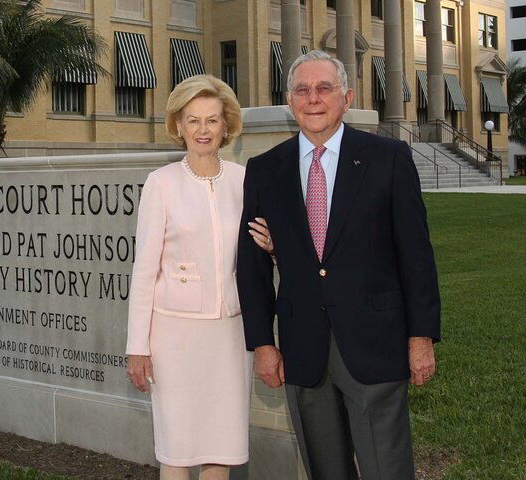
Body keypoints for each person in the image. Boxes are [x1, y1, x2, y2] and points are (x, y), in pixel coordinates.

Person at [236, 50, 441, 480]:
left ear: (346, 98)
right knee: (325, 470)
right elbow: (253, 268)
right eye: (302, 90)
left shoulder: (389, 158)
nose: (313, 98)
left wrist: (420, 337)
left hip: (376, 345)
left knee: (387, 470)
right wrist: (263, 344)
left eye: (324, 88)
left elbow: (416, 257)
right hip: (303, 350)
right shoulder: (265, 170)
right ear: (289, 102)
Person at [126, 74, 272, 480]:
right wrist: (137, 346)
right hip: (173, 337)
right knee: (177, 446)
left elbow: (259, 253)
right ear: (178, 126)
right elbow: (144, 271)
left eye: (212, 120)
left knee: (220, 445)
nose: (202, 130)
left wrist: (273, 246)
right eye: (193, 120)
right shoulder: (161, 184)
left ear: (226, 126)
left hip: (229, 333)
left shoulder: (244, 180)